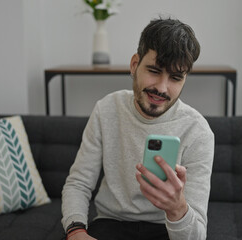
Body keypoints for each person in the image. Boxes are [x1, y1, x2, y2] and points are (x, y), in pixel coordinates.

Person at [61, 17, 214, 240]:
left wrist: (177, 208)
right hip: (110, 223)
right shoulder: (107, 109)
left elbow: (196, 236)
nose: (162, 88)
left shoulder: (198, 131)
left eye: (175, 77)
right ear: (135, 65)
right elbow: (79, 183)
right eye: (154, 70)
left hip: (166, 229)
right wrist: (75, 230)